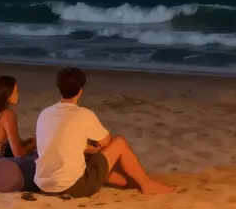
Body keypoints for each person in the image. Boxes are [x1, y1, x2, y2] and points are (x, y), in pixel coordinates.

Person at [34, 67, 175, 198]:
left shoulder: (45, 113)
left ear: (59, 89)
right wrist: (93, 147)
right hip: (73, 186)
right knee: (119, 143)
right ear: (81, 90)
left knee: (118, 177)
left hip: (44, 184)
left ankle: (131, 181)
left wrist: (85, 147)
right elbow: (106, 141)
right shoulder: (83, 114)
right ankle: (147, 185)